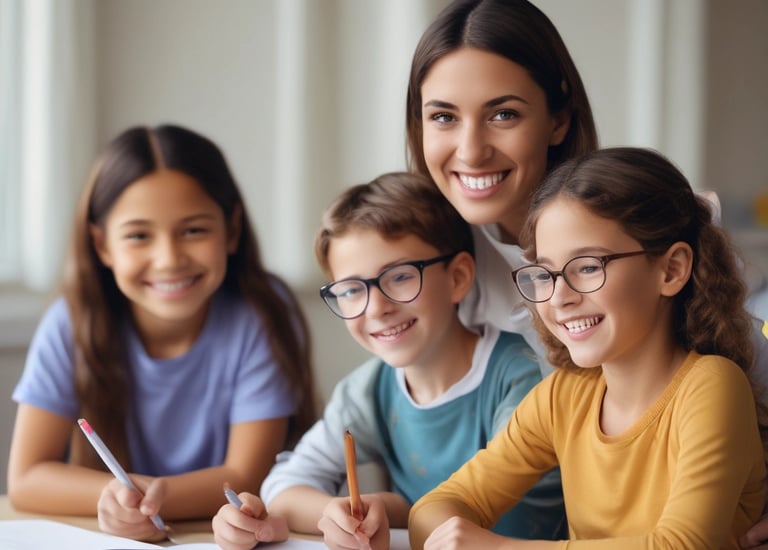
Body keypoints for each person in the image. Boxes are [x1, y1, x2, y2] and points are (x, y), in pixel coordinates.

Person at [405, 0, 768, 540]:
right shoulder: (436, 268)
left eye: (503, 112)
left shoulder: (709, 379)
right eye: (443, 116)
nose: (471, 150)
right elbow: (436, 502)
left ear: (559, 119)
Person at [211, 172, 563, 550]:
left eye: (399, 277)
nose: (376, 308)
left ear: (458, 277)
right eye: (350, 290)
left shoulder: (520, 374)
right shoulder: (368, 388)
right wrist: (336, 513)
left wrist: (396, 509)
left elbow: (486, 508)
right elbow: (284, 484)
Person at [7, 124, 317, 542]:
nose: (169, 259)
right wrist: (114, 499)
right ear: (101, 246)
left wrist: (153, 497)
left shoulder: (262, 312)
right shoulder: (71, 321)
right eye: (138, 236)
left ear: (232, 229)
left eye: (193, 230)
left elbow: (247, 474)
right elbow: (26, 479)